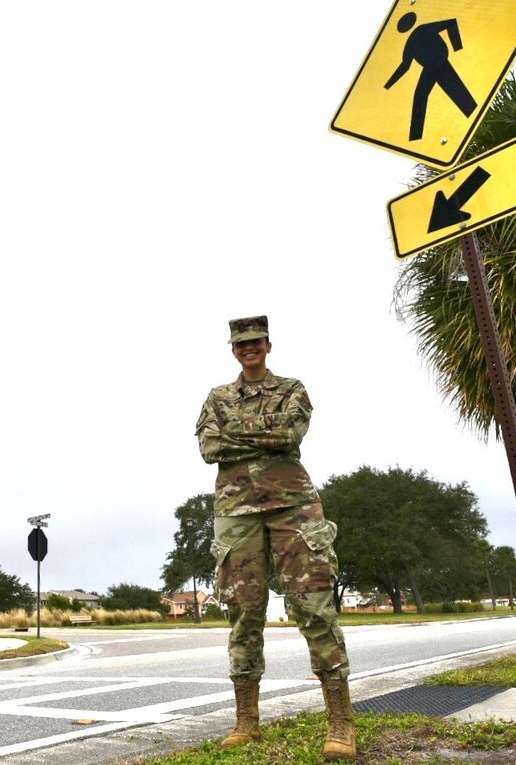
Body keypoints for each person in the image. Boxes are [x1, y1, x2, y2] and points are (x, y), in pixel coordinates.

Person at [195, 315, 355, 760]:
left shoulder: (293, 389)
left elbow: (291, 433)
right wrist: (267, 439)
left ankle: (340, 723)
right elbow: (210, 448)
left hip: (293, 508)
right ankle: (246, 721)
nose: (249, 349)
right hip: (236, 511)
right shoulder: (218, 396)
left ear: (268, 345)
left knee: (314, 607)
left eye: (256, 342)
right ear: (233, 350)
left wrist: (238, 435)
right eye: (241, 343)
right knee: (243, 613)